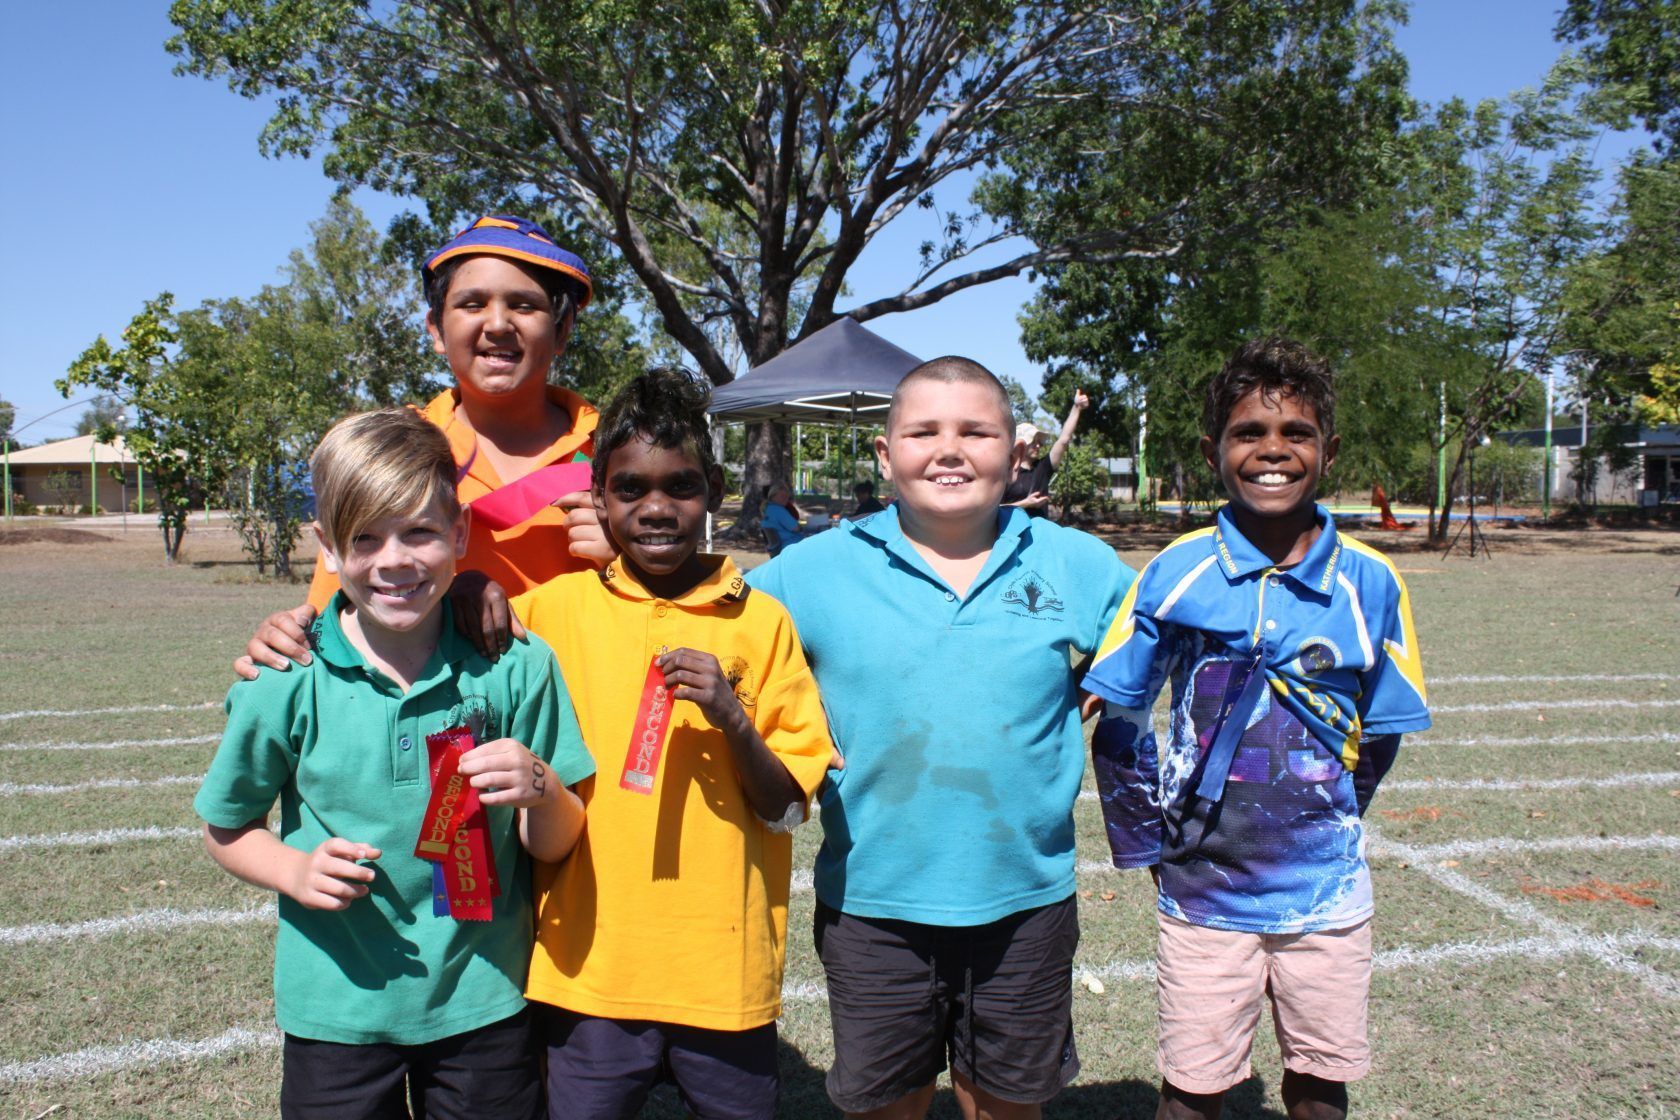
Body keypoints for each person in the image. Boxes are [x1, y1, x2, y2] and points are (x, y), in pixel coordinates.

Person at [747, 357, 1136, 1120]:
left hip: (1024, 901)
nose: (950, 449)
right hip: (872, 904)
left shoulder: (1072, 561)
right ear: (886, 455)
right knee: (886, 1104)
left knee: (1006, 1104)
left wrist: (1111, 676)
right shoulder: (813, 569)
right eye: (923, 432)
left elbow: (1153, 619)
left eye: (976, 431)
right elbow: (710, 615)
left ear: (1016, 453)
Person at [194, 408, 593, 1118]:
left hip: (484, 1001)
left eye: (420, 532)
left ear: (461, 533)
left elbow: (558, 841)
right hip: (336, 1010)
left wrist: (542, 789)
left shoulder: (516, 663)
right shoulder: (288, 677)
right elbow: (226, 826)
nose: (394, 560)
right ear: (326, 546)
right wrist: (293, 869)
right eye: (365, 538)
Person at [1081, 337, 1431, 1120]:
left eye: (1296, 435)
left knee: (1318, 1082)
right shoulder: (1177, 570)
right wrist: (1147, 846)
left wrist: (1329, 816)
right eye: (1248, 434)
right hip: (1202, 897)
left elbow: (1382, 733)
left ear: (1328, 452)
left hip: (1328, 895)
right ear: (1213, 452)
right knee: (1194, 1088)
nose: (1273, 451)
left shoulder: (1371, 581)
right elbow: (1121, 720)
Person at [509, 369, 835, 1119]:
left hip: (722, 972)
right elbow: (442, 639)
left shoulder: (763, 622)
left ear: (716, 488)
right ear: (598, 494)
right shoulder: (554, 612)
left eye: (681, 486)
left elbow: (788, 807)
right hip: (589, 965)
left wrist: (734, 717)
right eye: (630, 489)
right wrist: (473, 592)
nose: (656, 509)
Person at [236, 214, 612, 677]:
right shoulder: (389, 452)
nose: (498, 323)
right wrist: (284, 637)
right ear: (436, 329)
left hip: (585, 718)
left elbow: (680, 606)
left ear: (563, 330)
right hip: (436, 723)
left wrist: (629, 561)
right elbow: (331, 614)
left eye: (524, 305)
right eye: (472, 304)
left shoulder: (617, 455)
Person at [1003, 388, 1089, 516]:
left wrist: (1076, 408)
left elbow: (1063, 440)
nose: (1038, 445)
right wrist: (1025, 503)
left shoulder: (1043, 468)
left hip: (1039, 534)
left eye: (1039, 441)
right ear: (1021, 446)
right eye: (1033, 441)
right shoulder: (1005, 472)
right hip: (1011, 534)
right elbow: (992, 509)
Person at [760, 479, 808, 555]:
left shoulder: (768, 509)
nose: (785, 499)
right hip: (791, 546)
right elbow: (795, 528)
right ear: (773, 496)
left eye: (787, 497)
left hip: (782, 547)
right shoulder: (778, 510)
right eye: (782, 496)